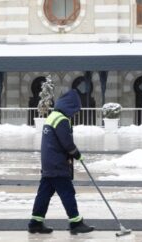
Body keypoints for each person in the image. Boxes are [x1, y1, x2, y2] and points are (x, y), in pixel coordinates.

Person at [28, 90, 94, 235]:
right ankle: (76, 223)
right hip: (57, 164)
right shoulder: (61, 120)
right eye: (75, 110)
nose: (75, 113)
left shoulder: (52, 116)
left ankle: (35, 223)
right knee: (67, 192)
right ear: (69, 106)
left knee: (44, 194)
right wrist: (77, 154)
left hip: (48, 163)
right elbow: (67, 143)